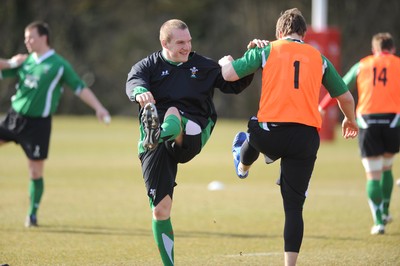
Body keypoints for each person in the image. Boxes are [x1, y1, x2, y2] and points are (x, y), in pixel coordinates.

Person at [219, 8, 359, 266]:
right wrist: (350, 119)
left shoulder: (267, 49)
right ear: (304, 35)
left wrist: (225, 61)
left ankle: (242, 165)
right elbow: (346, 97)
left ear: (279, 32)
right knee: (294, 209)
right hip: (305, 138)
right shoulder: (319, 57)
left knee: (252, 130)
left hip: (270, 133)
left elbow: (229, 75)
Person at [125, 19, 254, 266]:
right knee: (160, 210)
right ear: (165, 43)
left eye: (189, 41)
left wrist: (252, 57)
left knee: (172, 113)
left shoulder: (203, 66)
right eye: (181, 42)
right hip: (158, 144)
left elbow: (234, 83)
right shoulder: (147, 66)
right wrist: (140, 92)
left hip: (193, 131)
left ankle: (159, 133)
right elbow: (133, 82)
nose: (187, 47)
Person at [0, 21, 110, 227]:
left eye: (31, 37)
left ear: (44, 38)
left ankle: (32, 214)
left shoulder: (58, 65)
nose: (27, 41)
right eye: (25, 37)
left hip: (38, 126)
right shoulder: (24, 61)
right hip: (13, 118)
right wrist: (11, 62)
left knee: (35, 171)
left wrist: (99, 107)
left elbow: (79, 87)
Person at [319, 32, 400, 235]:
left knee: (373, 175)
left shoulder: (362, 64)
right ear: (392, 50)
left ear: (374, 50)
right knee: (387, 167)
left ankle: (379, 221)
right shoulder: (397, 64)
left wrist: (322, 106)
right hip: (393, 121)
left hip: (368, 122)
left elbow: (340, 86)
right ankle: (387, 209)